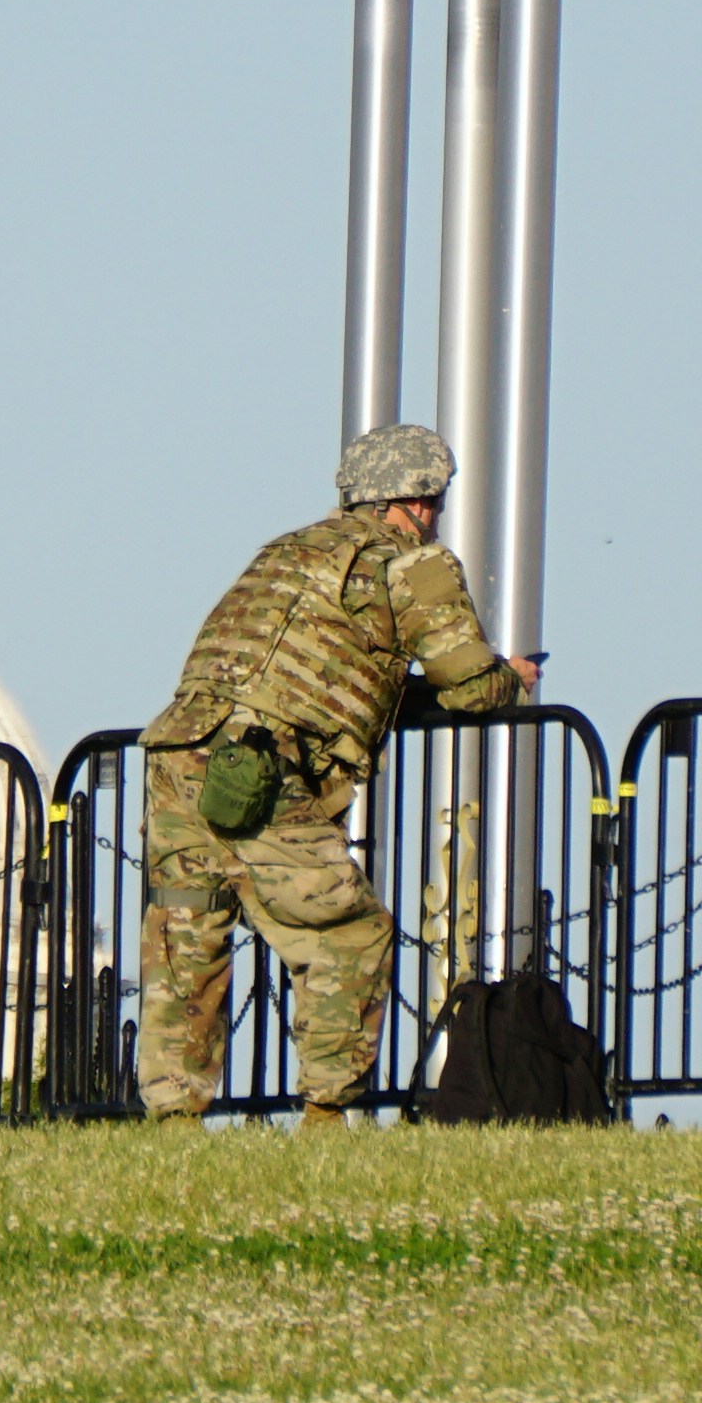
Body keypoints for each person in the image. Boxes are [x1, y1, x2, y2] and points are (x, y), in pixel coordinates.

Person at [134, 423, 536, 1127]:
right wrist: (513, 677)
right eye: (434, 502)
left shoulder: (285, 554)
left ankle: (172, 1125)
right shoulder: (412, 564)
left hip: (178, 751)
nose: (435, 515)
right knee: (349, 933)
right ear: (413, 502)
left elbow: (327, 679)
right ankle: (326, 1117)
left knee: (187, 934)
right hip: (256, 765)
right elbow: (469, 686)